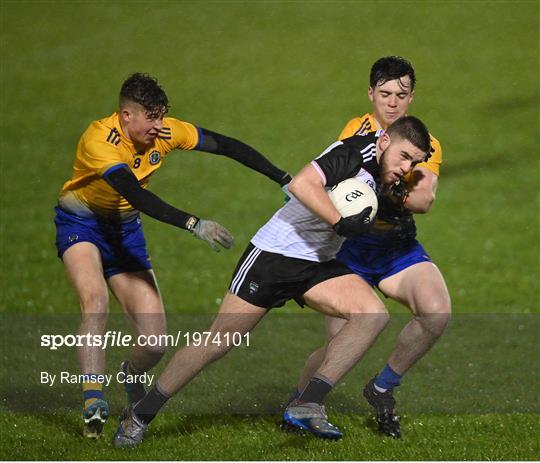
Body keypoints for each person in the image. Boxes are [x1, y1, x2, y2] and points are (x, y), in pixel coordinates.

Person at [113, 115, 432, 447]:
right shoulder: (353, 153)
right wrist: (339, 222)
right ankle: (140, 415)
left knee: (372, 315)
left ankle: (308, 402)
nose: (405, 166)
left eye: (414, 162)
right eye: (404, 156)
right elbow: (302, 184)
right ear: (384, 142)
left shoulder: (386, 172)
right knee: (218, 341)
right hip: (274, 256)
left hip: (316, 263)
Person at [54, 73, 292, 438]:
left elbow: (226, 145)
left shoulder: (163, 133)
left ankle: (130, 374)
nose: (159, 126)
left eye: (162, 115)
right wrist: (193, 223)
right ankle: (93, 401)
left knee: (154, 343)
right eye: (151, 117)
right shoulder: (99, 139)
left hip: (126, 233)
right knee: (95, 300)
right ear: (126, 115)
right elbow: (135, 194)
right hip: (81, 224)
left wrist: (283, 178)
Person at [288, 56, 451, 439]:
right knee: (336, 343)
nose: (392, 103)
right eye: (385, 94)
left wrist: (395, 192)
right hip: (349, 249)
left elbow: (425, 198)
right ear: (371, 95)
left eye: (401, 95)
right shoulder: (355, 130)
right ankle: (300, 403)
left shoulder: (425, 143)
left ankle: (382, 387)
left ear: (412, 98)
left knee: (436, 313)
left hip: (396, 246)